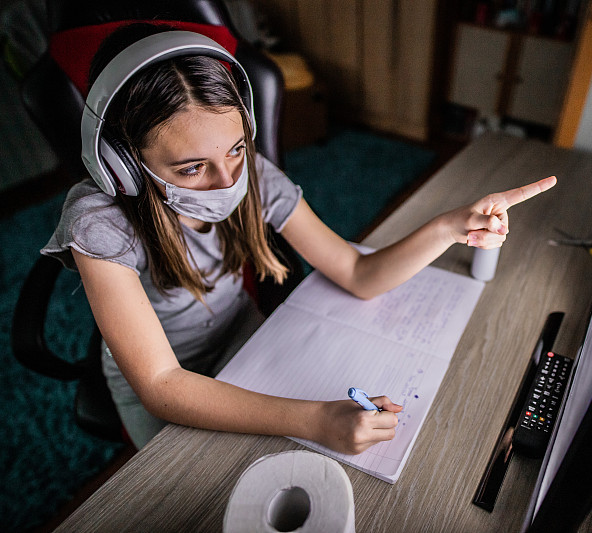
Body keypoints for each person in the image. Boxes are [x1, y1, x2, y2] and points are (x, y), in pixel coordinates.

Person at [42, 24, 557, 451]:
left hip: (246, 338)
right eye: (193, 167)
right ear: (126, 165)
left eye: (237, 149)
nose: (228, 181)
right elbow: (161, 385)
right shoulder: (99, 221)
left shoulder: (253, 176)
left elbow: (358, 272)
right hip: (165, 378)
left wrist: (450, 226)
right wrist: (313, 420)